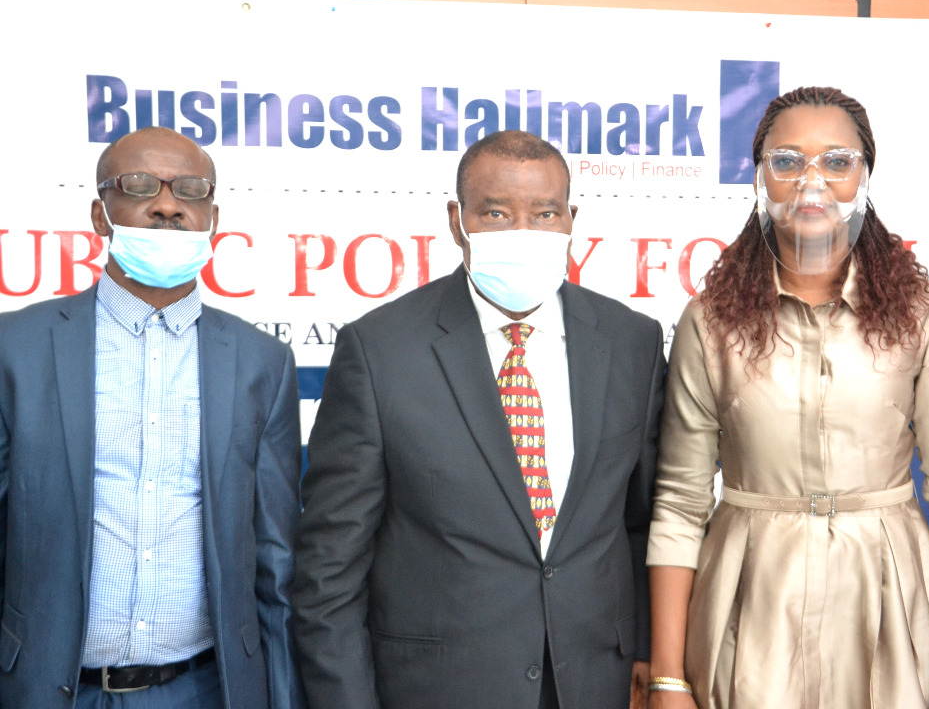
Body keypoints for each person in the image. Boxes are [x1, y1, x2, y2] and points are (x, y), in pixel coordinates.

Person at [646, 87, 929, 709]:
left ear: (864, 177)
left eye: (837, 162)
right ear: (760, 178)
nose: (811, 181)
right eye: (787, 161)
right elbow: (679, 507)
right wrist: (668, 679)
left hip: (891, 601)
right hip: (750, 602)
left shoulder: (927, 316)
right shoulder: (710, 321)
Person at [293, 129, 665, 709]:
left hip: (593, 683)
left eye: (545, 213)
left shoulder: (632, 343)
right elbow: (328, 573)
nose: (524, 232)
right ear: (455, 220)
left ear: (572, 218)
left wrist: (646, 655)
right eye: (496, 212)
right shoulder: (381, 351)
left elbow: (643, 522)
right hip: (438, 687)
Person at [0, 126, 305, 709]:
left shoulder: (261, 363)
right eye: (139, 185)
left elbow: (277, 561)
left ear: (211, 214)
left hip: (205, 689)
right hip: (49, 689)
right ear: (100, 212)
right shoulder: (16, 349)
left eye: (190, 190)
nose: (167, 205)